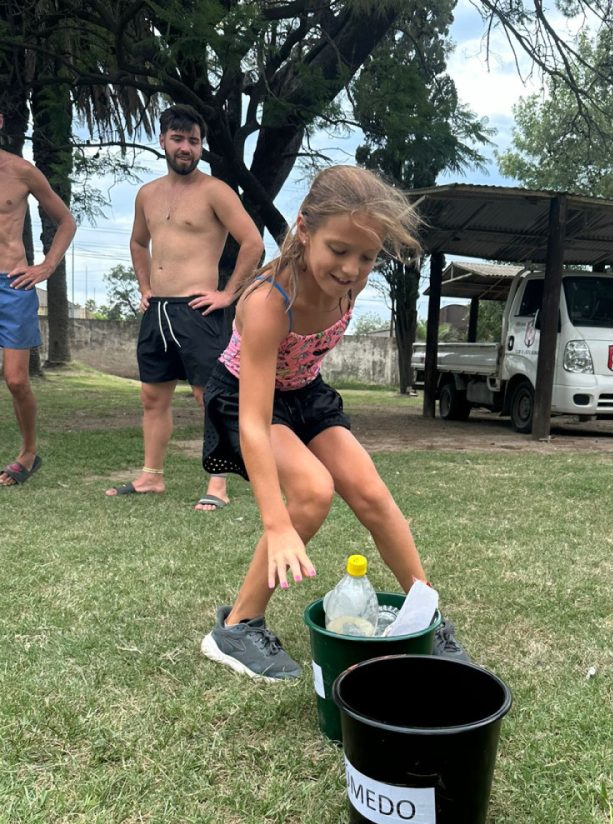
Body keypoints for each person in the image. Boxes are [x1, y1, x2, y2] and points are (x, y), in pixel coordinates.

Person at [199, 165, 470, 680]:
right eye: (339, 250)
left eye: (366, 257)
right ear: (304, 228)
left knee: (371, 492)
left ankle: (426, 620)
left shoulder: (348, 286)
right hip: (248, 400)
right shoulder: (266, 302)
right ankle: (236, 626)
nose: (350, 268)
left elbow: (303, 368)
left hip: (305, 394)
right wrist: (277, 524)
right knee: (312, 493)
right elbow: (254, 423)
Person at [105, 104, 264, 511]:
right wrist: (144, 285)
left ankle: (218, 485)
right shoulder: (147, 194)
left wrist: (228, 294)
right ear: (163, 141)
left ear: (200, 145)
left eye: (193, 140)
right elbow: (139, 243)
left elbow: (253, 243)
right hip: (157, 310)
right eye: (178, 139)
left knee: (208, 397)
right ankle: (151, 477)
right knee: (152, 398)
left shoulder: (216, 191)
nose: (186, 147)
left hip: (199, 310)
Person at [0, 111, 77, 486]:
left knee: (16, 379)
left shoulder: (21, 171)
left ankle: (28, 452)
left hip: (12, 284)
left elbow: (66, 221)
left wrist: (46, 266)